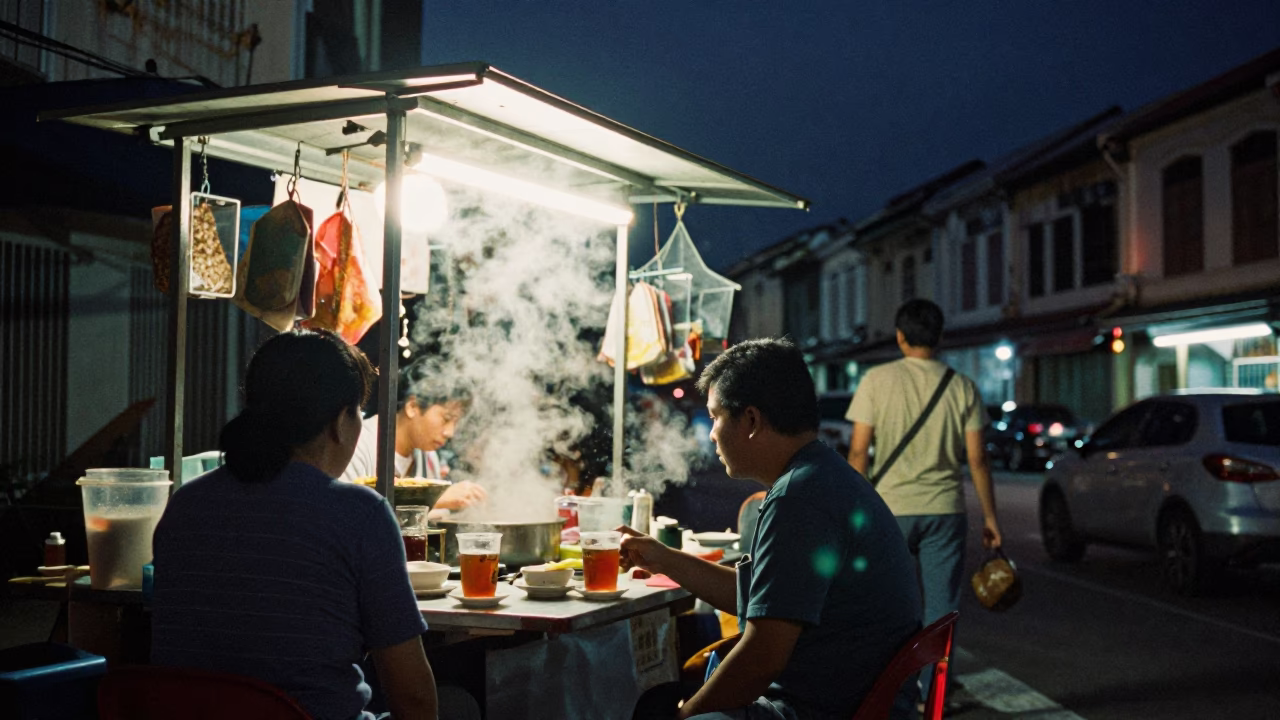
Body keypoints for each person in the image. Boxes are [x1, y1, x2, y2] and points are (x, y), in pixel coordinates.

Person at [151, 330, 471, 720]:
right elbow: (414, 699)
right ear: (340, 422)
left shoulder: (185, 505)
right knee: (461, 705)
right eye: (357, 412)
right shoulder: (359, 513)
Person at [624, 338, 921, 720]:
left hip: (824, 709)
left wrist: (686, 717)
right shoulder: (819, 473)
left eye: (716, 417)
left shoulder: (800, 497)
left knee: (660, 707)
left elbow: (762, 658)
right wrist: (662, 558)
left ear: (750, 420)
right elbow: (760, 599)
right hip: (846, 696)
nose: (712, 433)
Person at [846, 298, 1003, 708]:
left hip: (889, 511)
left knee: (884, 606)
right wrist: (990, 516)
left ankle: (885, 691)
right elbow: (978, 459)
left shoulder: (876, 380)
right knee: (941, 610)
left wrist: (855, 512)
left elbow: (859, 453)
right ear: (940, 337)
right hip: (944, 509)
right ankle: (933, 697)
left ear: (900, 337)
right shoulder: (962, 386)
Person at [340, 358, 486, 513]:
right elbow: (346, 513)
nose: (450, 432)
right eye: (446, 419)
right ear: (412, 406)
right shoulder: (358, 444)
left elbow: (431, 522)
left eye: (455, 422)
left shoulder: (428, 457)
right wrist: (435, 499)